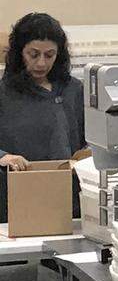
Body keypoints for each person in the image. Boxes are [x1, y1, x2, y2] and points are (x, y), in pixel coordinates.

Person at [0, 13, 85, 223]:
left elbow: (91, 140)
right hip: (15, 196)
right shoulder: (4, 93)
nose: (41, 63)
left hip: (69, 195)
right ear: (19, 53)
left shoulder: (73, 90)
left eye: (49, 55)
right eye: (33, 54)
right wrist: (3, 156)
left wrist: (85, 158)